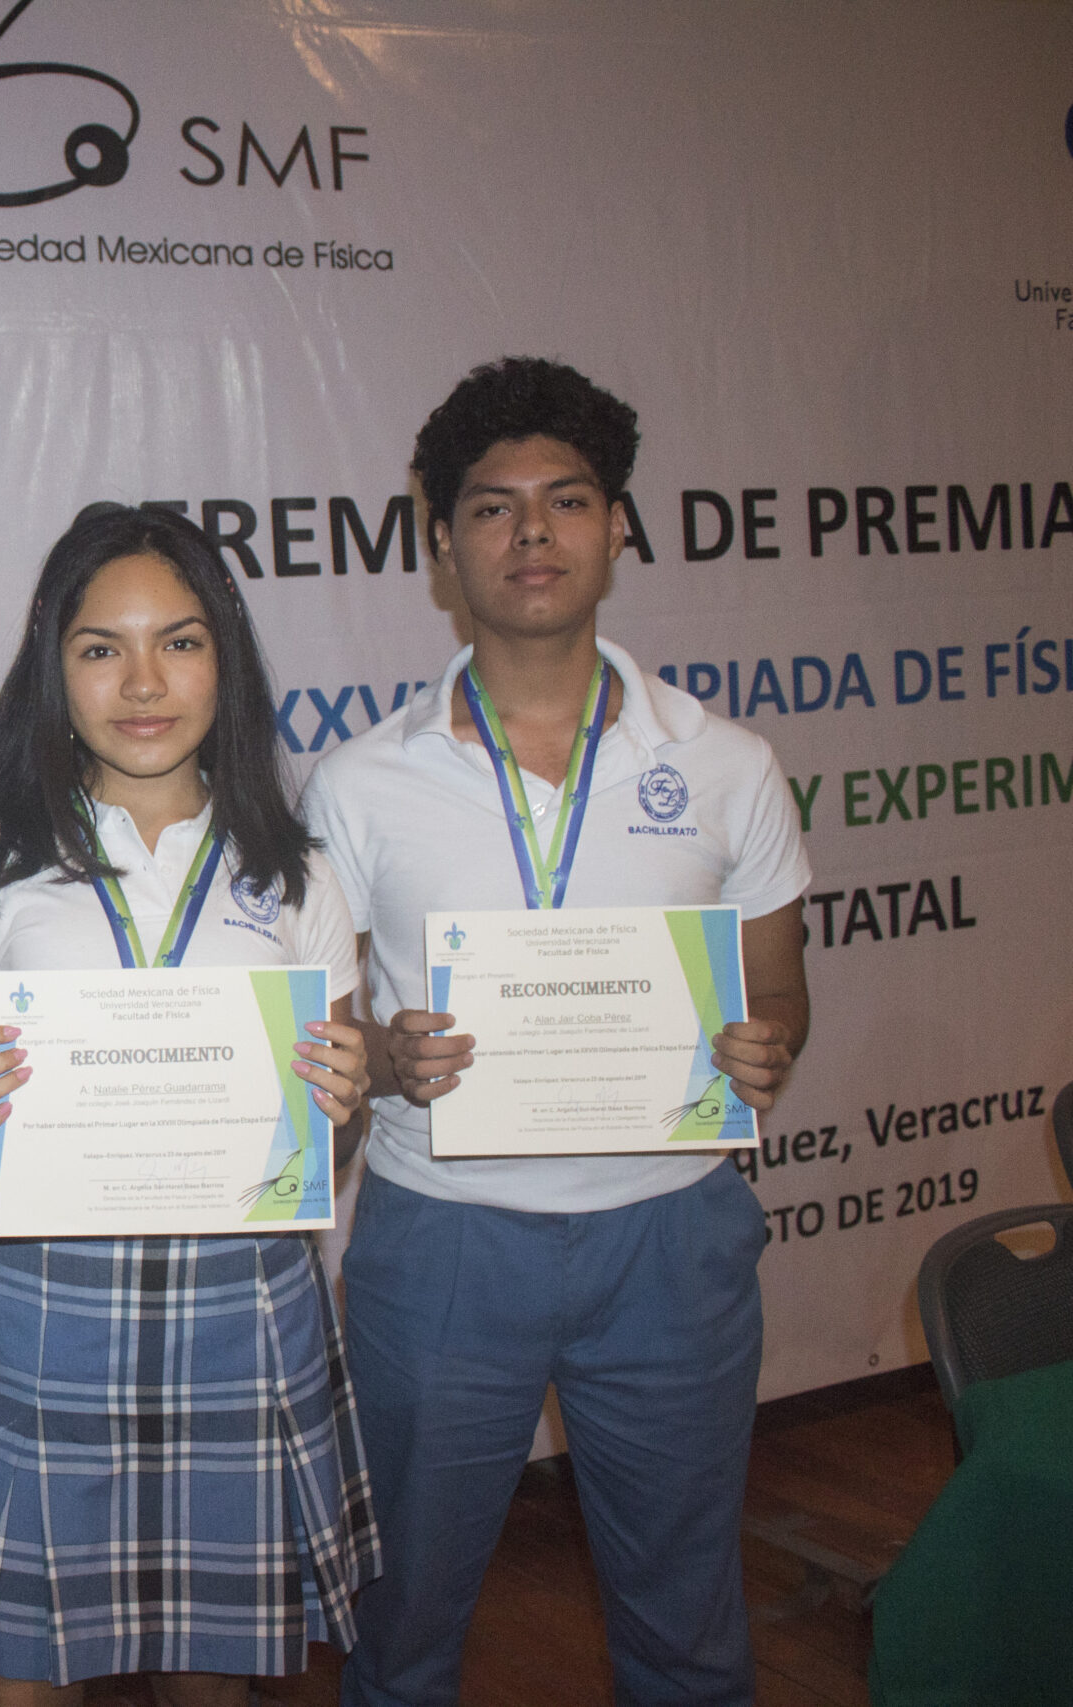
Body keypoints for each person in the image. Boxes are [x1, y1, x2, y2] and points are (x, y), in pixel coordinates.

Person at [304, 357, 812, 1707]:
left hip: (671, 1237)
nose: (532, 533)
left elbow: (779, 990)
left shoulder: (726, 763)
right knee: (402, 1631)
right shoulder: (359, 782)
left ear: (617, 526)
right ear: (442, 545)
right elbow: (324, 1036)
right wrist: (389, 1056)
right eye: (492, 507)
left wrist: (763, 1044)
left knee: (688, 1624)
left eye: (567, 500)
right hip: (443, 1238)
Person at [0, 503, 383, 1707]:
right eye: (99, 648)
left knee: (208, 1681)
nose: (141, 684)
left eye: (178, 642)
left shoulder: (298, 874)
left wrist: (343, 1097)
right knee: (16, 1677)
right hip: (50, 1319)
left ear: (225, 658)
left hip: (243, 1315)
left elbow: (330, 1137)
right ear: (51, 665)